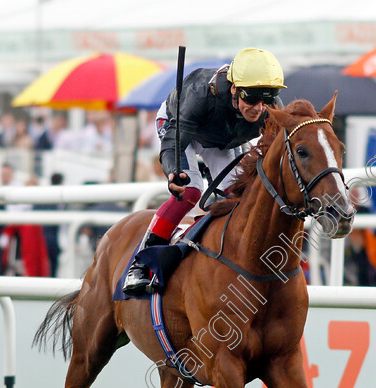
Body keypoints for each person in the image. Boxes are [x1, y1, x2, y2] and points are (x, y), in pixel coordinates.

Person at [122, 47, 286, 295]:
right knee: (190, 191)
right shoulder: (200, 92)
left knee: (241, 194)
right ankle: (140, 265)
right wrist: (173, 172)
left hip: (220, 140)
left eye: (266, 100)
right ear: (234, 88)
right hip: (180, 129)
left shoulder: (269, 107)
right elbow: (176, 141)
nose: (259, 108)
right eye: (251, 98)